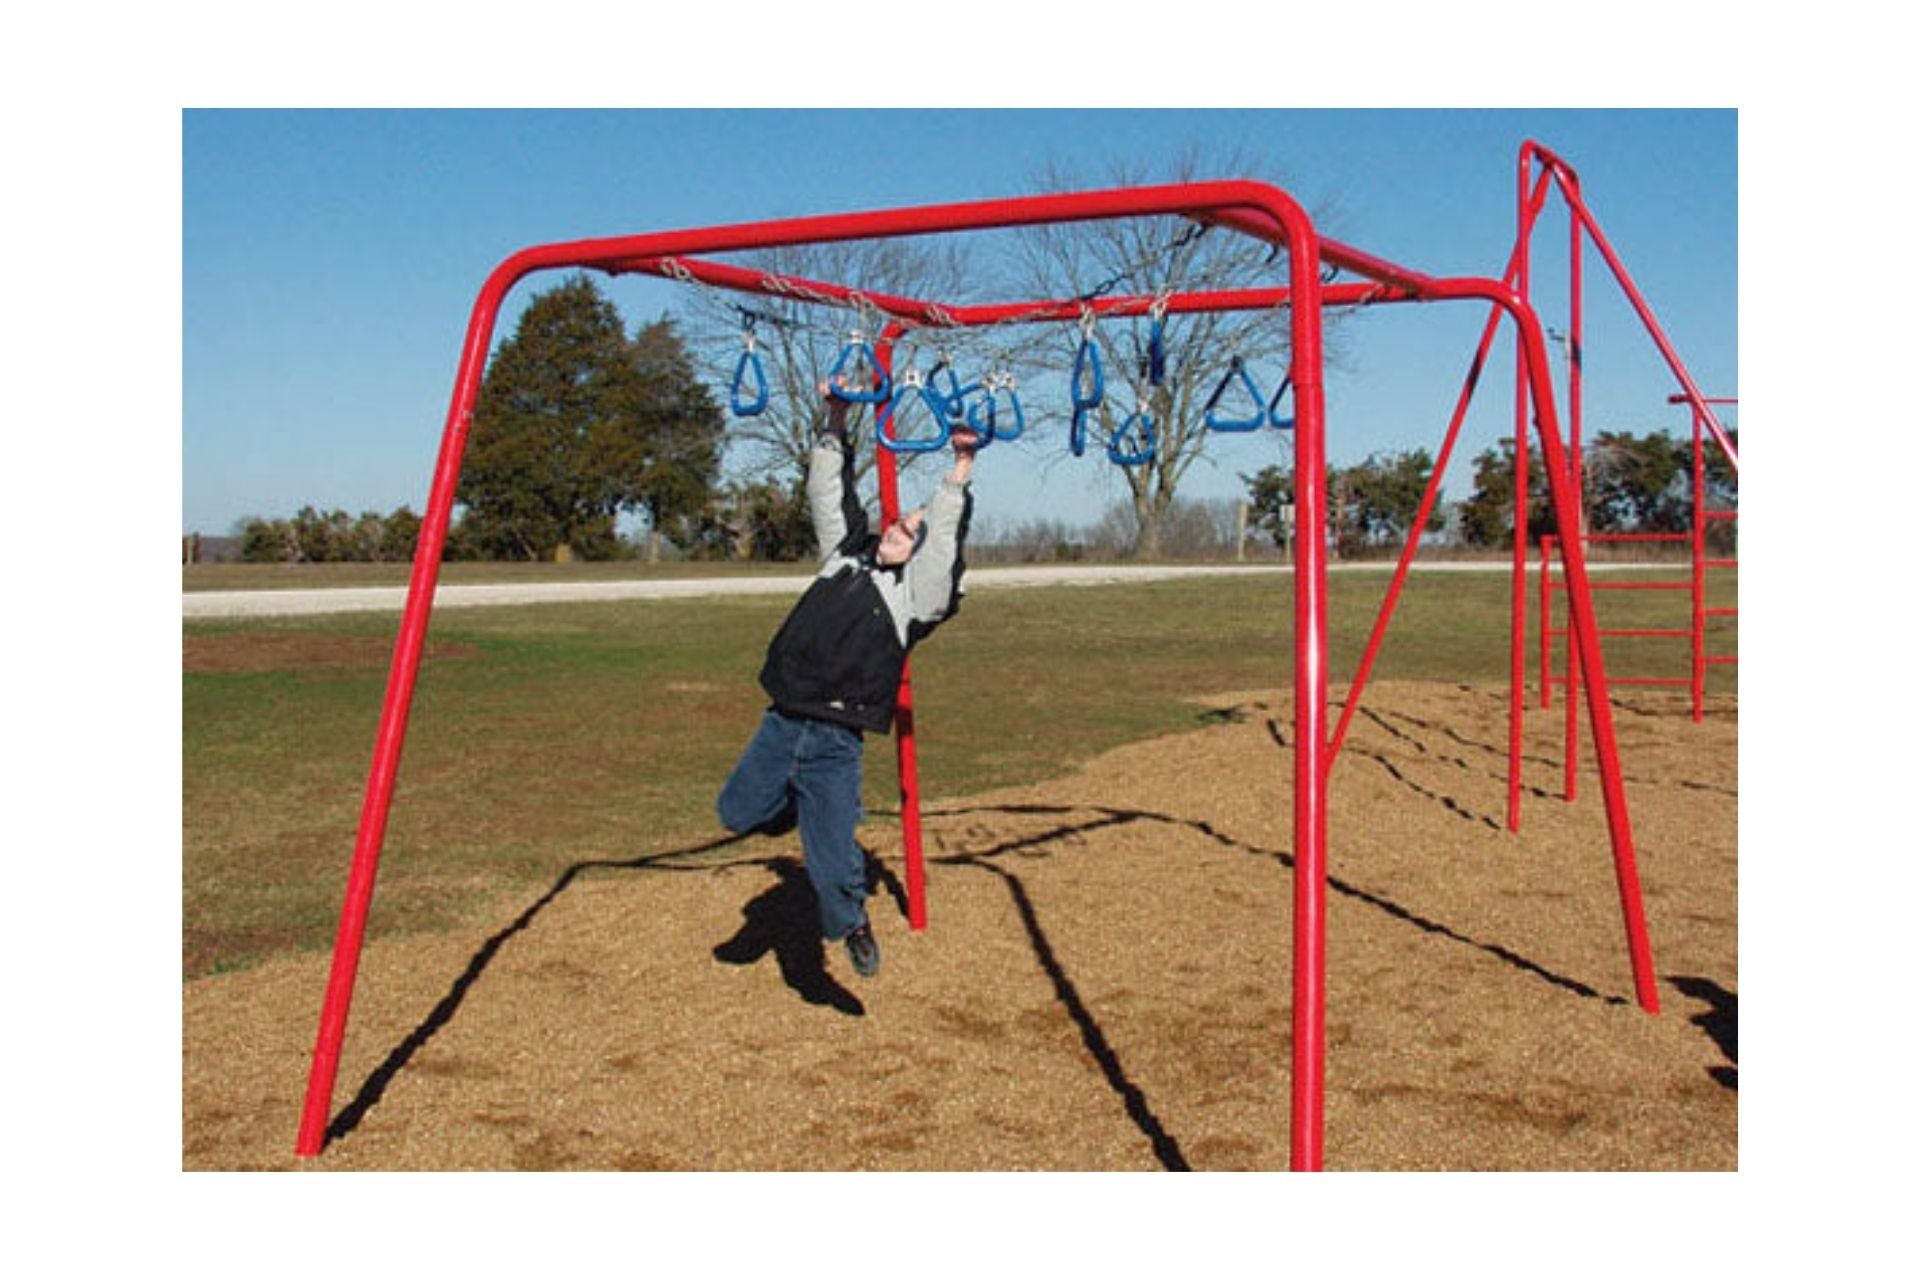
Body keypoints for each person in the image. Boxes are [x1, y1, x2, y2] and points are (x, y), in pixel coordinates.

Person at [716, 378, 977, 979]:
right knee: (736, 813)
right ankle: (792, 808)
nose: (895, 529)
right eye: (897, 522)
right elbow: (827, 493)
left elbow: (942, 553)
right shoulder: (845, 557)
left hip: (835, 739)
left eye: (909, 531)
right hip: (783, 720)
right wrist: (834, 418)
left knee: (833, 867)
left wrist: (958, 468)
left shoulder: (914, 599)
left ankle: (852, 924)